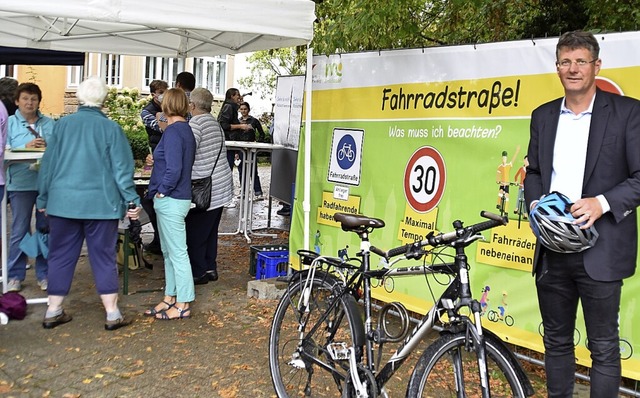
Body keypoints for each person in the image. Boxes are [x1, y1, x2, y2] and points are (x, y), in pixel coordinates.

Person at [524, 30, 640, 397]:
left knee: (603, 348)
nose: (573, 69)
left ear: (596, 66)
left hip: (602, 250)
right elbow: (535, 173)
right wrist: (536, 207)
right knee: (556, 342)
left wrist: (601, 202)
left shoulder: (628, 113)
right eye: (565, 61)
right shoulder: (542, 116)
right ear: (557, 67)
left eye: (580, 61)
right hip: (553, 251)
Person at [36, 77, 141, 330]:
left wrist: (43, 197)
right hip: (101, 205)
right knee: (103, 257)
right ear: (103, 100)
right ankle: (112, 313)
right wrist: (131, 199)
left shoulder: (61, 126)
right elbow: (122, 170)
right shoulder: (111, 129)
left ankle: (53, 310)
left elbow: (47, 165)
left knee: (60, 254)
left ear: (80, 98)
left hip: (62, 203)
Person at [145, 88, 196, 320]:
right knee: (169, 252)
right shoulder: (183, 130)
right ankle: (170, 297)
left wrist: (161, 192)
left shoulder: (175, 131)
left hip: (172, 199)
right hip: (176, 198)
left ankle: (183, 303)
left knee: (176, 253)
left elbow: (174, 169)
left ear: (167, 105)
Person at [6, 83, 55, 292]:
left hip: (46, 184)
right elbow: (3, 150)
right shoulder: (8, 123)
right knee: (19, 229)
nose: (29, 103)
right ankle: (15, 275)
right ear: (17, 101)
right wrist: (23, 147)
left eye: (34, 99)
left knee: (45, 229)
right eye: (25, 98)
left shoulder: (49, 123)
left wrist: (48, 146)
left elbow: (59, 148)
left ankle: (44, 274)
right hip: (20, 183)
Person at [186, 88, 233, 285]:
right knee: (210, 230)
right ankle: (210, 267)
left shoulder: (195, 124)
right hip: (221, 184)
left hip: (204, 188)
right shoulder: (214, 123)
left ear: (193, 105)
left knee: (196, 232)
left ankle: (198, 273)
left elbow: (188, 152)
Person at [139, 79, 168, 255]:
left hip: (165, 157)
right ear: (153, 94)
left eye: (166, 91)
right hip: (155, 156)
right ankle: (159, 238)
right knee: (149, 198)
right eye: (161, 92)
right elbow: (161, 127)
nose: (164, 95)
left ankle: (161, 240)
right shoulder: (147, 111)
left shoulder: (167, 109)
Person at [238, 101, 265, 200]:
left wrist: (257, 144)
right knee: (241, 171)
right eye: (241, 109)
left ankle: (258, 192)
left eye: (245, 109)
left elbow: (262, 134)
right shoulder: (238, 121)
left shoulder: (254, 121)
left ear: (248, 110)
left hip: (252, 149)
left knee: (253, 171)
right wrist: (236, 151)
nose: (243, 111)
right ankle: (243, 192)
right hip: (241, 150)